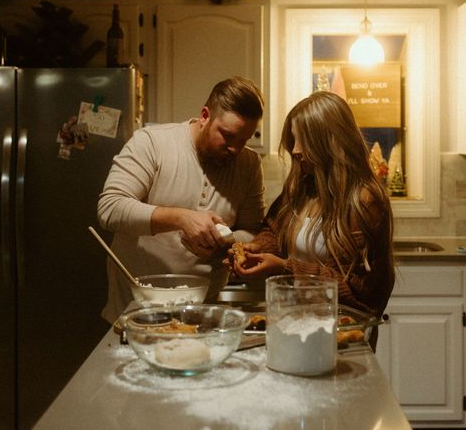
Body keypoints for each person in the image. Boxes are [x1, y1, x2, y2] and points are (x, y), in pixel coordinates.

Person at [229, 90, 395, 343]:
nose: (295, 150)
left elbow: (358, 296)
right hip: (295, 324)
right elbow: (273, 230)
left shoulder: (365, 201)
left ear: (330, 141)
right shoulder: (302, 186)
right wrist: (255, 248)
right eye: (293, 140)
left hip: (343, 335)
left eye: (303, 140)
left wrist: (285, 267)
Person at [97, 76, 266, 324]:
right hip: (135, 312)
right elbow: (110, 208)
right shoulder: (153, 142)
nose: (236, 149)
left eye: (244, 140)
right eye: (228, 136)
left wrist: (223, 243)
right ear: (205, 115)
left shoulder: (249, 164)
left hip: (203, 313)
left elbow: (253, 232)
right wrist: (181, 218)